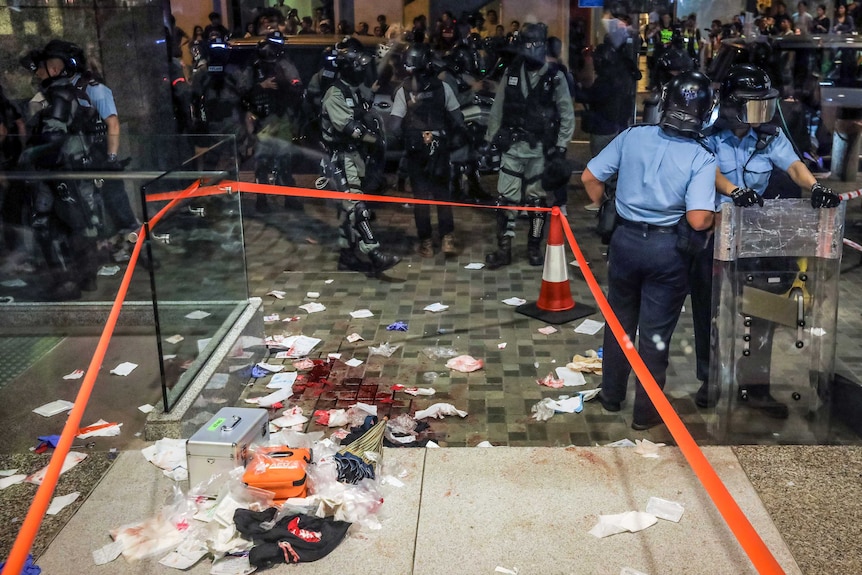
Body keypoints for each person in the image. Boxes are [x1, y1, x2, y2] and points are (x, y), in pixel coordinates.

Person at [690, 64, 841, 418]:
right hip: (713, 235)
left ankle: (756, 386)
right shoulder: (708, 136)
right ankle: (710, 379)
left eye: (763, 104)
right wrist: (733, 191)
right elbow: (706, 170)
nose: (759, 113)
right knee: (709, 313)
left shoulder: (769, 136)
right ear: (731, 104)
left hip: (756, 240)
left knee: (762, 312)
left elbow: (793, 166)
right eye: (751, 104)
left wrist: (816, 187)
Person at [581, 70, 717, 431]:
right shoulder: (702, 156)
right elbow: (700, 218)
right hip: (667, 250)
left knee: (619, 323)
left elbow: (589, 178)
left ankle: (611, 396)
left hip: (624, 244)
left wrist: (607, 205)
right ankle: (645, 414)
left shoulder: (632, 137)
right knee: (655, 335)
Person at [481, 22, 575, 269]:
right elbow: (498, 108)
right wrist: (490, 141)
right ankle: (504, 248)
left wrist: (562, 146)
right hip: (512, 146)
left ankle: (534, 247)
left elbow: (566, 113)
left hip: (540, 150)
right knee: (505, 200)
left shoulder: (555, 77)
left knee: (537, 201)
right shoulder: (511, 72)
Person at [320, 38, 401, 275]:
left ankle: (347, 256)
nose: (362, 69)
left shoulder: (354, 91)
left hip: (353, 158)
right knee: (357, 207)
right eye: (358, 65)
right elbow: (350, 128)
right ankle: (374, 253)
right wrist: (376, 140)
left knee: (347, 212)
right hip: (339, 159)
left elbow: (367, 111)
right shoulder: (335, 94)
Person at [390, 43, 465, 258]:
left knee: (421, 197)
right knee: (442, 194)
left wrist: (406, 136)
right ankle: (447, 238)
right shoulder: (443, 88)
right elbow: (458, 118)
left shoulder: (403, 90)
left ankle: (426, 242)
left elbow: (395, 126)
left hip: (416, 150)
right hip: (439, 148)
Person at [247, 27, 304, 213]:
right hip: (262, 119)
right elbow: (242, 91)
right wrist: (261, 86)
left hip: (282, 118)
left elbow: (297, 87)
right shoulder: (255, 67)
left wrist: (287, 85)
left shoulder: (286, 64)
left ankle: (290, 198)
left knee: (285, 161)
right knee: (262, 162)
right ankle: (261, 199)